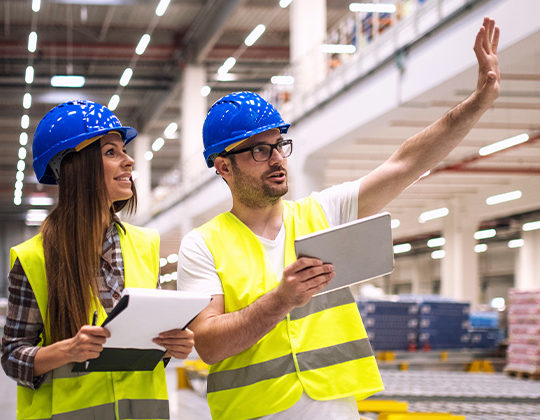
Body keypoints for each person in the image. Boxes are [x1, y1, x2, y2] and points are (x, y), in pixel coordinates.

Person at [177, 17, 501, 420]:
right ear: (224, 167)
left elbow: (403, 164)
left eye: (279, 146)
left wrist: (477, 103)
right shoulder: (202, 244)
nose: (278, 160)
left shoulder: (322, 214)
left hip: (336, 410)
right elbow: (207, 344)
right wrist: (280, 301)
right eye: (260, 151)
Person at [1, 100, 194, 420]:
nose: (129, 161)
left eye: (124, 151)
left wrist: (171, 345)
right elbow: (13, 357)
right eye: (111, 152)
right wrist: (67, 350)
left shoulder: (146, 244)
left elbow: (145, 349)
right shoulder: (34, 258)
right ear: (76, 167)